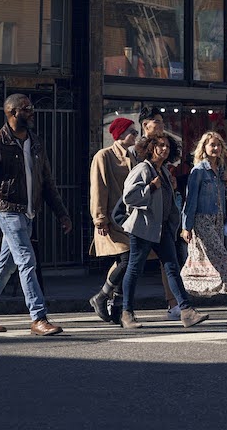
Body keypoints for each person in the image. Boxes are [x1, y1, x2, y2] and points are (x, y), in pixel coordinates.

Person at [0, 94, 71, 336]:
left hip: (28, 213)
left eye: (31, 107)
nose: (32, 112)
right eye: (26, 109)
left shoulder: (35, 142)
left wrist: (62, 214)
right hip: (6, 210)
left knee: (7, 265)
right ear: (12, 113)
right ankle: (38, 317)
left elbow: (47, 181)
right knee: (27, 261)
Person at [120, 133, 208, 329]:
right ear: (151, 148)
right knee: (135, 269)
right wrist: (150, 188)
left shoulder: (165, 172)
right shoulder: (142, 169)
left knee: (172, 267)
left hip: (162, 228)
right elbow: (129, 196)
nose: (164, 149)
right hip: (143, 228)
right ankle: (126, 313)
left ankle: (186, 311)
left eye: (167, 146)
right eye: (160, 145)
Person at [180, 131, 227, 317]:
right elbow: (190, 200)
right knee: (223, 258)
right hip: (202, 220)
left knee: (217, 260)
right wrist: (186, 226)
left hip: (218, 220)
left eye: (218, 145)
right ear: (204, 148)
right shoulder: (198, 171)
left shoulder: (221, 170)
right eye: (212, 145)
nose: (216, 148)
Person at [87, 117, 138, 324]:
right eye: (132, 131)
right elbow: (98, 187)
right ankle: (102, 296)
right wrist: (99, 219)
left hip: (130, 219)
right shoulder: (104, 156)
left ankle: (117, 307)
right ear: (120, 134)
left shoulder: (133, 157)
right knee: (128, 259)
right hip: (111, 218)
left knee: (124, 261)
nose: (136, 134)